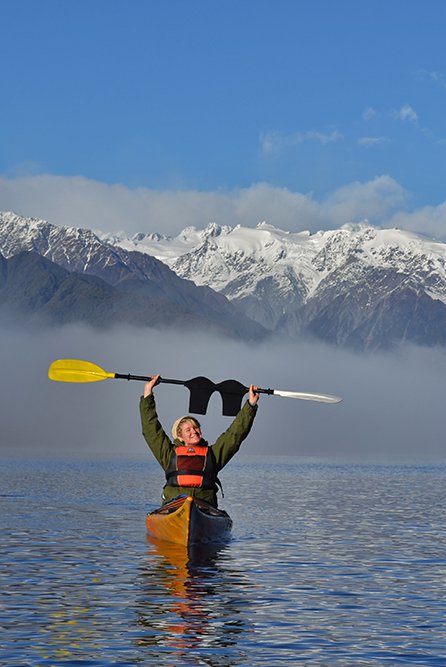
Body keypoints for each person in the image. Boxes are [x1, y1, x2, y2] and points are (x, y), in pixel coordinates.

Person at [140, 374, 260, 507]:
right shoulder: (169, 454)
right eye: (188, 430)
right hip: (174, 505)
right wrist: (148, 392)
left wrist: (250, 405)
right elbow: (151, 430)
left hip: (204, 506)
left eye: (196, 427)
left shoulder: (213, 454)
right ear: (180, 437)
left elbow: (235, 435)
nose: (194, 431)